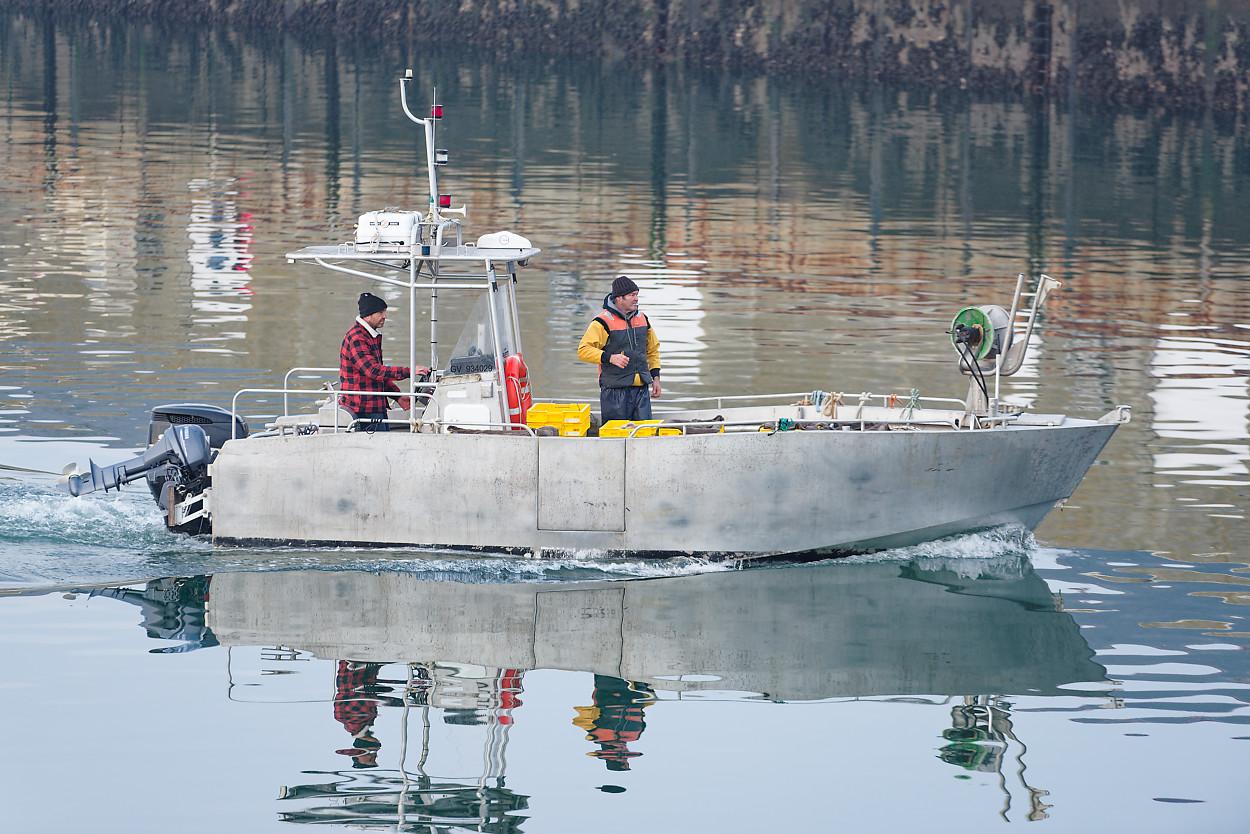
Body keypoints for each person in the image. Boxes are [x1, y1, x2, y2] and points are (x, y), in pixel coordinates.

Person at [339, 292, 429, 430]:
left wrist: (397, 396)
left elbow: (378, 374)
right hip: (362, 408)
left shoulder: (369, 335)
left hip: (373, 406)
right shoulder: (357, 338)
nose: (385, 316)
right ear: (369, 315)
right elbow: (373, 371)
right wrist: (410, 371)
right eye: (381, 312)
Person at [577, 276, 662, 422]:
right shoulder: (602, 322)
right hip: (614, 393)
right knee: (615, 436)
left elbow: (653, 350)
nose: (636, 299)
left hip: (641, 391)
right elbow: (583, 350)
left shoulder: (643, 319)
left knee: (645, 435)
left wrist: (656, 378)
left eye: (637, 295)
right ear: (619, 298)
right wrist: (610, 357)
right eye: (632, 295)